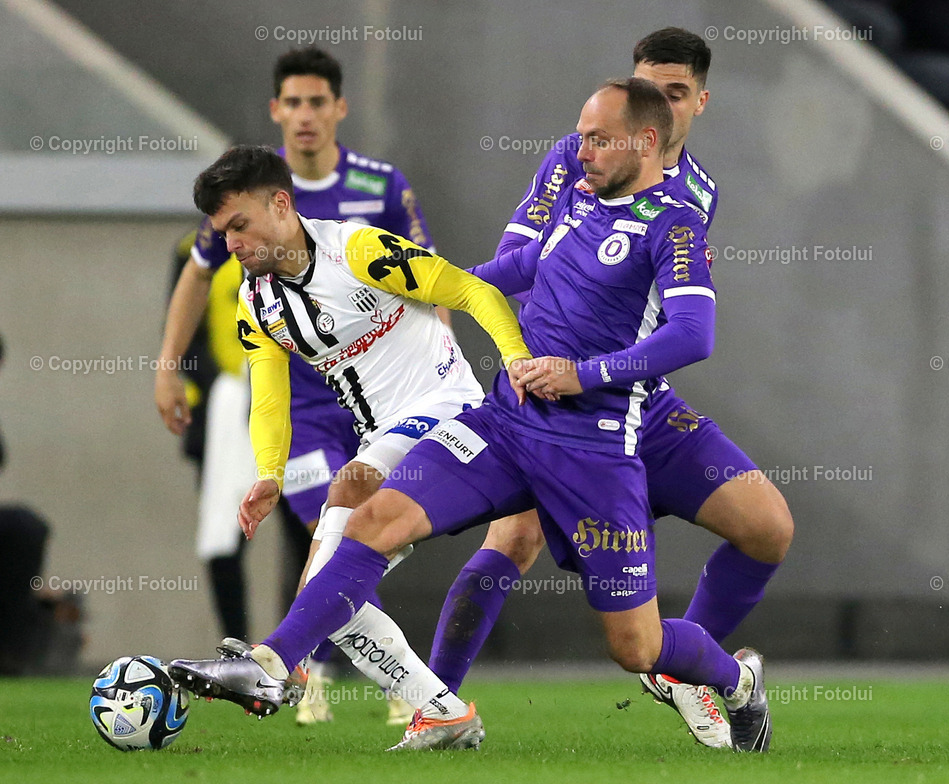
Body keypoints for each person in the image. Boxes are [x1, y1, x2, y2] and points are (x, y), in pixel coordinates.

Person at [170, 78, 772, 753]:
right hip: (507, 423)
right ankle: (280, 665)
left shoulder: (676, 220)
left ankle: (737, 680)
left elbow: (696, 335)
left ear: (647, 141)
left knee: (638, 646)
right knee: (369, 517)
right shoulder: (575, 195)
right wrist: (432, 289)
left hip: (594, 445)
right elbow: (506, 272)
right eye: (580, 135)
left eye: (597, 138)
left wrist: (580, 372)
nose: (581, 149)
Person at [428, 27, 792, 750]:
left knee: (768, 526)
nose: (658, 101)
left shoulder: (697, 194)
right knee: (516, 532)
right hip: (548, 398)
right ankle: (434, 702)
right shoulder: (576, 158)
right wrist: (487, 321)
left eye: (676, 92)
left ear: (699, 103)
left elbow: (674, 316)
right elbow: (520, 262)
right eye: (645, 86)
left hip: (636, 399)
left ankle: (684, 667)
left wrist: (605, 372)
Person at [172, 143, 531, 750]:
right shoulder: (256, 301)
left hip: (451, 411)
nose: (231, 243)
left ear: (281, 204)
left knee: (350, 493)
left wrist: (516, 359)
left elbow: (471, 291)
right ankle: (442, 712)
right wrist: (268, 472)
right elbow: (269, 397)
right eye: (222, 231)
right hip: (384, 434)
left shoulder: (358, 249)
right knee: (329, 597)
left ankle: (269, 664)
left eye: (240, 225)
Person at [154, 46, 436, 726]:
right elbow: (197, 271)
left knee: (370, 535)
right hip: (305, 404)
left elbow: (427, 277)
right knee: (333, 529)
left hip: (379, 398)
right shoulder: (247, 196)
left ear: (339, 108)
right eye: (293, 103)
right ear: (275, 110)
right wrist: (168, 364)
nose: (305, 116)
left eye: (318, 102)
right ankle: (370, 680)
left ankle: (313, 665)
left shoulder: (381, 185)